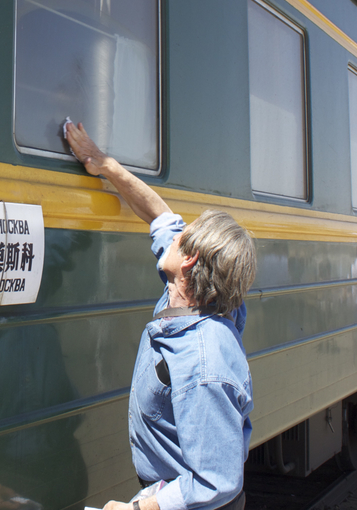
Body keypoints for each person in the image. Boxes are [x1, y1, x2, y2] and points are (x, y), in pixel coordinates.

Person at [66, 121, 255, 510]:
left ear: (189, 260)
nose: (176, 233)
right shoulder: (192, 297)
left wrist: (137, 509)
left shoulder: (204, 361)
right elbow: (160, 215)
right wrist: (104, 164)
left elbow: (215, 481)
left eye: (184, 237)